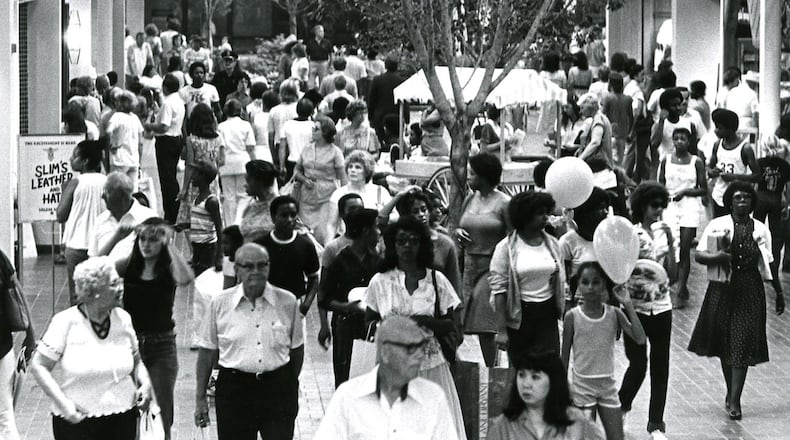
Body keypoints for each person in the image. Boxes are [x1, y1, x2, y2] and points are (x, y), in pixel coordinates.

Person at [364, 217, 467, 440]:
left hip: (430, 364)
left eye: (414, 241)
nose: (407, 247)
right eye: (401, 241)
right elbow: (369, 319)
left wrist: (427, 322)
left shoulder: (436, 279)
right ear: (393, 245)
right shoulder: (380, 281)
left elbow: (450, 323)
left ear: (423, 245)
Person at [30, 257, 153, 440]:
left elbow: (137, 363)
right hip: (77, 421)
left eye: (119, 282)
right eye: (113, 284)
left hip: (122, 417)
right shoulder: (66, 322)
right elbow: (38, 365)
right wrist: (63, 404)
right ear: (94, 291)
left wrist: (146, 384)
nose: (120, 288)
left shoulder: (124, 319)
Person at [194, 243, 303, 439]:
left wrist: (288, 386)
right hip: (235, 391)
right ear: (236, 269)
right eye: (249, 266)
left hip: (278, 390)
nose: (256, 271)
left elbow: (297, 351)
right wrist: (200, 397)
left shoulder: (288, 302)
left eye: (262, 265)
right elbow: (207, 352)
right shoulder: (220, 304)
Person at [688, 181, 773, 421]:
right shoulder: (718, 225)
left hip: (749, 289)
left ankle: (735, 399)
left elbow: (769, 261)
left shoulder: (760, 229)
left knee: (741, 343)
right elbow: (699, 254)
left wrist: (778, 290)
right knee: (726, 343)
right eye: (738, 198)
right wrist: (718, 256)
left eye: (747, 198)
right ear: (730, 201)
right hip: (722, 288)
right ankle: (731, 390)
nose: (743, 201)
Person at [314, 315, 459, 440]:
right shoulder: (348, 396)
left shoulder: (433, 397)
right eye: (410, 348)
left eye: (421, 347)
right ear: (385, 352)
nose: (419, 355)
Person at [116, 218, 193, 440]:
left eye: (153, 240)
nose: (146, 244)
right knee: (130, 406)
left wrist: (169, 244)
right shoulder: (130, 266)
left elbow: (186, 278)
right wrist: (117, 237)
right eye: (142, 239)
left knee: (162, 409)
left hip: (162, 345)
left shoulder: (168, 269)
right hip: (132, 345)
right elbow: (95, 265)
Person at [561, 262, 646, 440]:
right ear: (578, 285)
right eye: (585, 282)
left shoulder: (614, 314)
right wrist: (564, 388)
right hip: (582, 388)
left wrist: (628, 304)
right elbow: (564, 357)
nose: (590, 287)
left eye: (596, 282)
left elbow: (640, 338)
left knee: (617, 437)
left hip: (607, 386)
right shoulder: (572, 317)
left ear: (604, 285)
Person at [618, 182, 676, 438]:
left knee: (661, 366)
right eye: (654, 206)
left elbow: (671, 274)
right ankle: (622, 407)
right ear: (642, 206)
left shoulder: (665, 231)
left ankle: (656, 424)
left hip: (662, 306)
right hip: (636, 308)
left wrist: (672, 247)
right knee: (638, 364)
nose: (658, 211)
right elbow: (620, 267)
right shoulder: (630, 233)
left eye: (662, 206)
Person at [491, 191, 565, 359]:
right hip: (519, 316)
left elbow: (559, 279)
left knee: (549, 366)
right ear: (525, 216)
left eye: (547, 212)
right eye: (540, 213)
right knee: (521, 369)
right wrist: (501, 330)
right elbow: (499, 290)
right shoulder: (505, 248)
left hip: (547, 314)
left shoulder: (552, 244)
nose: (546, 217)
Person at [454, 153, 510, 366]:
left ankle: (494, 373)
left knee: (487, 327)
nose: (469, 177)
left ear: (485, 177)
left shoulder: (505, 203)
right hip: (468, 268)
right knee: (460, 325)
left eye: (473, 173)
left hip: (492, 268)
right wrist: (459, 231)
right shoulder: (470, 198)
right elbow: (461, 223)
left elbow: (513, 239)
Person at [317, 209, 381, 387]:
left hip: (372, 329)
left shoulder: (377, 261)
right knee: (345, 378)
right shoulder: (340, 261)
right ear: (365, 231)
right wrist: (346, 307)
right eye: (376, 227)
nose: (380, 232)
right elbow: (324, 298)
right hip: (346, 328)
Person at [488, 353, 603, 440]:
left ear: (554, 382)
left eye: (535, 377)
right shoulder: (502, 426)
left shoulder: (576, 421)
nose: (526, 384)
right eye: (521, 375)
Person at [659, 128, 707, 307]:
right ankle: (668, 281)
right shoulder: (666, 160)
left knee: (685, 248)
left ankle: (682, 287)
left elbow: (703, 189)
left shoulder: (697, 162)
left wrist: (686, 191)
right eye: (676, 138)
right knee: (670, 246)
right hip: (671, 206)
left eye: (683, 139)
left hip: (690, 206)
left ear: (689, 141)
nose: (679, 141)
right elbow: (661, 185)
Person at [57, 140, 107, 305]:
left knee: (77, 297)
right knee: (100, 294)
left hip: (76, 245)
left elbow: (60, 215)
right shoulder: (107, 182)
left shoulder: (74, 183)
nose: (71, 159)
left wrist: (64, 192)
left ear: (85, 161)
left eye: (75, 156)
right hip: (102, 244)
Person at [255, 196, 321, 320]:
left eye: (293, 215)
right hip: (265, 307)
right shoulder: (260, 245)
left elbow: (314, 278)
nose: (289, 220)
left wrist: (305, 306)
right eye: (284, 215)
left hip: (294, 307)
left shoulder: (305, 245)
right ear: (273, 217)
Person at [293, 115, 347, 244]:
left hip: (327, 196)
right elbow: (296, 170)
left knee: (323, 232)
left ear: (325, 132)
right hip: (306, 194)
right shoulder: (307, 148)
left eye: (316, 129)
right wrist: (304, 179)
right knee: (305, 230)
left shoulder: (335, 152)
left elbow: (343, 176)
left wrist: (345, 196)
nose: (313, 131)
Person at [754, 117, 790, 303]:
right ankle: (773, 269)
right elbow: (787, 187)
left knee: (757, 232)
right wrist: (787, 204)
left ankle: (758, 265)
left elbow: (754, 184)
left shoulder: (759, 163)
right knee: (775, 237)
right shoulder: (784, 165)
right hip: (776, 199)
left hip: (761, 199)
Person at [0, 250, 35, 440]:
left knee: (5, 415)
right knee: (5, 417)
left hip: (2, 349)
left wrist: (30, 335)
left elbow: (18, 293)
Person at [559, 187, 609, 308]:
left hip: (607, 305)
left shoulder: (609, 239)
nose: (606, 212)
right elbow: (563, 281)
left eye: (607, 207)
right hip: (580, 306)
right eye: (601, 208)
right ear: (586, 212)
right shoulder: (567, 242)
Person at [144, 73, 185, 224]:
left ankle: (171, 213)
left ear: (165, 87)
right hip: (176, 138)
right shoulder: (179, 101)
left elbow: (163, 126)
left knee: (167, 179)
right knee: (171, 176)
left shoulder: (168, 103)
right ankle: (173, 211)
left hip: (166, 140)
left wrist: (149, 126)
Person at [176, 103, 224, 229]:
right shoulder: (218, 138)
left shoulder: (192, 139)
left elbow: (190, 165)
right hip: (212, 181)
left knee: (192, 218)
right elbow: (221, 160)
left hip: (196, 182)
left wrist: (184, 189)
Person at [89, 172, 158, 259]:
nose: (102, 196)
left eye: (107, 192)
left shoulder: (149, 218)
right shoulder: (100, 220)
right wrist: (115, 239)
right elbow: (92, 261)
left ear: (123, 197)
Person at [326, 151, 392, 237]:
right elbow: (331, 225)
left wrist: (380, 215)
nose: (353, 170)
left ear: (367, 171)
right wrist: (328, 247)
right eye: (350, 167)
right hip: (347, 241)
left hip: (374, 239)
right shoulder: (338, 193)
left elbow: (395, 217)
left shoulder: (380, 191)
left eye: (358, 167)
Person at [707, 109, 759, 217]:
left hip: (737, 198)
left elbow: (757, 175)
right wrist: (712, 172)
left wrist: (735, 177)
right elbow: (709, 167)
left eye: (719, 128)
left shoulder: (745, 148)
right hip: (719, 197)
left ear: (730, 129)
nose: (716, 130)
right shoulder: (717, 145)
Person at [217, 99, 256, 226]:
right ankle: (240, 222)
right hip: (242, 163)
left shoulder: (221, 126)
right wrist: (255, 163)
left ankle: (229, 224)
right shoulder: (246, 125)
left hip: (226, 163)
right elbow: (250, 147)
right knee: (243, 195)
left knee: (228, 197)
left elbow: (219, 147)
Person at [188, 160, 224, 274]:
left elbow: (219, 228)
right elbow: (202, 222)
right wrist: (185, 225)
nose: (192, 176)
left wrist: (219, 257)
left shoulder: (211, 201)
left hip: (208, 249)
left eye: (196, 173)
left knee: (205, 280)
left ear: (203, 177)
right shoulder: (197, 198)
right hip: (197, 247)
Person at [106, 91, 144, 190]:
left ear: (121, 103)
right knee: (133, 190)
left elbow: (108, 130)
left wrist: (113, 144)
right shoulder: (135, 118)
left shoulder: (117, 116)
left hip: (119, 159)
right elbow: (140, 142)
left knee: (115, 189)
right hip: (134, 160)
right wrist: (139, 161)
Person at [238, 160, 279, 242]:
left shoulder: (279, 206)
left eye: (248, 180)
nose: (245, 185)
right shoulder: (249, 204)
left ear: (259, 181)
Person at [368, 54, 404, 142]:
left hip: (379, 117)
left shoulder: (377, 80)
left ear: (385, 65)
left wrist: (370, 117)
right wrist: (406, 118)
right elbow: (404, 101)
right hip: (397, 117)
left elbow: (371, 100)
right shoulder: (401, 81)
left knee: (381, 143)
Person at [601, 72, 633, 166]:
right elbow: (631, 118)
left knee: (610, 161)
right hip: (623, 134)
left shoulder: (608, 98)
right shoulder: (628, 99)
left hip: (611, 133)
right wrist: (629, 132)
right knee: (621, 162)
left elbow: (603, 115)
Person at [269, 80, 300, 172]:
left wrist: (273, 154)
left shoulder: (274, 111)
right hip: (296, 145)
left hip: (278, 146)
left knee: (281, 175)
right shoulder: (299, 108)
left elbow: (271, 136)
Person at [716, 67, 759, 133]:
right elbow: (755, 114)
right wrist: (754, 131)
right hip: (746, 127)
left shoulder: (725, 93)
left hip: (731, 126)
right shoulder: (752, 93)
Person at [250, 90, 280, 162]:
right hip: (275, 152)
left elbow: (252, 137)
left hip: (259, 152)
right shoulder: (278, 116)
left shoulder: (256, 117)